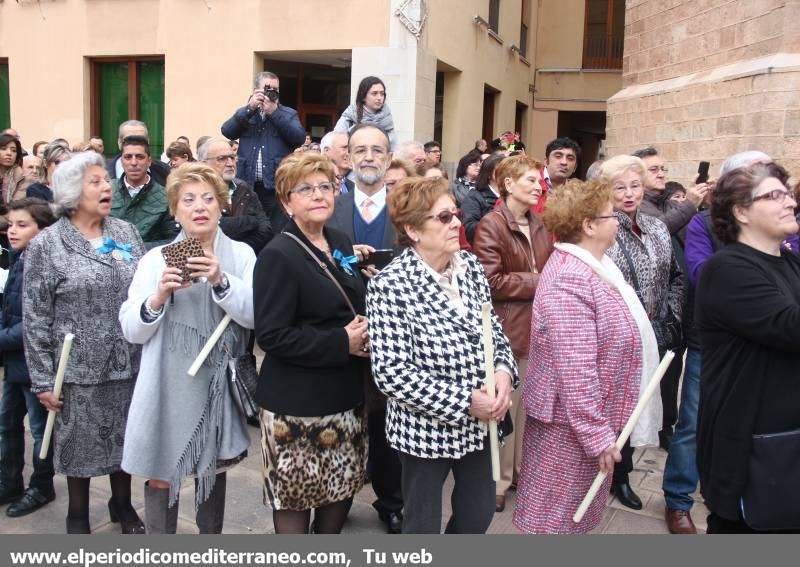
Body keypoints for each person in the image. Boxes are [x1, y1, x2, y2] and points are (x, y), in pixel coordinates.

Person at [367, 176, 517, 534]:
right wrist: (466, 401)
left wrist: (503, 372)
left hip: (481, 424)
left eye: (456, 214)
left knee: (477, 515)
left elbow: (492, 331)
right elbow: (392, 373)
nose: (456, 224)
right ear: (413, 230)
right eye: (444, 217)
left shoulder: (471, 268)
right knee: (421, 524)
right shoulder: (389, 285)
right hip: (425, 429)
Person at [513, 178, 659, 533]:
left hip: (585, 422)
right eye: (611, 214)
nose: (619, 220)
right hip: (568, 428)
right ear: (589, 225)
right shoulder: (570, 277)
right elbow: (576, 369)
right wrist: (598, 437)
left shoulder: (598, 266)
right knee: (555, 523)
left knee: (572, 520)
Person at [119, 162, 255, 534]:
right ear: (175, 210)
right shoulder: (155, 260)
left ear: (222, 205)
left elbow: (256, 315)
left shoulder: (240, 255)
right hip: (165, 382)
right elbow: (132, 328)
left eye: (209, 198)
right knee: (163, 472)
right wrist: (159, 296)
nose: (199, 207)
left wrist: (219, 278)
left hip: (215, 383)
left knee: (213, 470)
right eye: (189, 199)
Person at [23, 152, 146, 534]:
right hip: (75, 369)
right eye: (95, 182)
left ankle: (122, 504)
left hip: (128, 360)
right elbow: (35, 316)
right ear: (73, 192)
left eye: (106, 180)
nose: (106, 186)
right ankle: (77, 514)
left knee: (124, 443)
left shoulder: (126, 232)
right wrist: (43, 380)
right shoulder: (48, 244)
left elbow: (143, 291)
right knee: (79, 448)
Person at [254, 152, 369, 534]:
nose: (319, 195)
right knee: (295, 501)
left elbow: (345, 300)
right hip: (297, 408)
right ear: (287, 202)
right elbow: (272, 336)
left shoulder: (337, 239)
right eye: (306, 189)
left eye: (325, 186)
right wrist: (341, 341)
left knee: (338, 494)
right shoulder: (278, 255)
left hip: (344, 398)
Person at [662, 150, 773, 534]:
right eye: (751, 175)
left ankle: (740, 493)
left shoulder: (781, 229)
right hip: (712, 340)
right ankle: (678, 499)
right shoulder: (704, 224)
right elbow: (700, 273)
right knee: (693, 421)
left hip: (764, 345)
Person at [695, 162, 800, 533]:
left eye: (787, 194)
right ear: (741, 211)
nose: (789, 202)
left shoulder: (789, 261)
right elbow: (790, 327)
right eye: (774, 195)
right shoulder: (728, 269)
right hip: (753, 454)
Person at [326, 124, 404, 533]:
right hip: (342, 331)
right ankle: (336, 500)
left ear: (389, 159)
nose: (369, 157)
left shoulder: (407, 209)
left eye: (377, 150)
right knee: (341, 421)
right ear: (349, 158)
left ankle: (391, 501)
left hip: (395, 335)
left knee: (388, 422)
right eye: (361, 150)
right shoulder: (330, 209)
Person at [472, 155, 554, 513]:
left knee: (528, 411)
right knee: (506, 408)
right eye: (531, 181)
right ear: (508, 184)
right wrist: (541, 282)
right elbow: (489, 282)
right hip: (509, 328)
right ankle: (498, 481)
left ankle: (521, 471)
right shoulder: (492, 225)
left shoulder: (540, 222)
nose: (539, 187)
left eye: (539, 182)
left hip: (539, 326)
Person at [599, 155, 680, 511]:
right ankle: (613, 474)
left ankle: (622, 472)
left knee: (640, 406)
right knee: (617, 408)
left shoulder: (657, 227)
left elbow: (676, 275)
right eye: (620, 188)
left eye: (634, 186)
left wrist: (671, 313)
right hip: (619, 335)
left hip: (658, 330)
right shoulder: (601, 228)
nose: (629, 194)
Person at [0, 199, 57, 518]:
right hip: (13, 362)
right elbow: (8, 307)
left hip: (34, 364)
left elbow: (33, 322)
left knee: (40, 430)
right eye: (10, 224)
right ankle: (9, 480)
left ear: (42, 231)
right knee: (7, 423)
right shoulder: (19, 257)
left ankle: (41, 484)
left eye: (22, 225)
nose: (12, 231)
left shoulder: (42, 264)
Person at [221, 71, 306, 232]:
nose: (271, 93)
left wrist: (274, 113)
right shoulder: (246, 114)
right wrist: (250, 108)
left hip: (275, 186)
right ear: (255, 90)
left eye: (275, 89)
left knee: (276, 230)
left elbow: (298, 138)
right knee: (251, 228)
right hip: (248, 185)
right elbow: (227, 131)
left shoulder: (287, 114)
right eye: (267, 88)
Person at [199, 137, 272, 253]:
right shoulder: (194, 194)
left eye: (232, 158)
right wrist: (250, 221)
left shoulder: (244, 188)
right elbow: (205, 230)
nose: (230, 163)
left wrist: (240, 251)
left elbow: (265, 229)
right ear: (204, 164)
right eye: (222, 159)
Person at [110, 135, 178, 249]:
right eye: (128, 157)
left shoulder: (166, 197)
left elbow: (173, 241)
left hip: (148, 262)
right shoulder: (107, 191)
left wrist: (137, 248)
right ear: (121, 161)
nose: (134, 162)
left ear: (149, 161)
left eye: (140, 157)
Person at [632, 146, 709, 236]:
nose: (661, 174)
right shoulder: (634, 204)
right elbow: (655, 232)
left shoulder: (665, 202)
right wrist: (689, 203)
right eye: (654, 170)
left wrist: (703, 201)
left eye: (662, 169)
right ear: (636, 174)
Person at [334, 76, 396, 149]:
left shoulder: (387, 120)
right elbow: (339, 144)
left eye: (382, 94)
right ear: (363, 96)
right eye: (374, 93)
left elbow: (393, 148)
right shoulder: (349, 118)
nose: (379, 98)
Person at [106, 120, 171, 187]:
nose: (135, 145)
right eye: (129, 140)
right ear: (119, 143)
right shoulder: (102, 172)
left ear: (148, 142)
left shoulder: (165, 172)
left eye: (140, 141)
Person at [462, 154, 504, 244]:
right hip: (485, 245)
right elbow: (468, 227)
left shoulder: (511, 196)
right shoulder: (475, 196)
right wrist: (495, 224)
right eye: (501, 170)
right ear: (488, 173)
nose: (506, 173)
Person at [533, 137, 580, 213]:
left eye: (570, 158)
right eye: (558, 156)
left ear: (575, 167)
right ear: (546, 161)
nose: (564, 162)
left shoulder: (577, 193)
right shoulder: (530, 183)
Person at [0, 133, 25, 204]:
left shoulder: (21, 176)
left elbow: (17, 204)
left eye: (14, 150)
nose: (9, 153)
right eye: (3, 149)